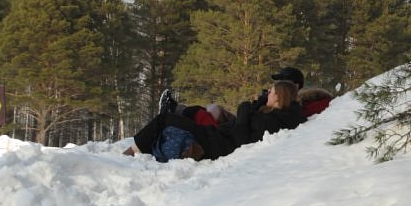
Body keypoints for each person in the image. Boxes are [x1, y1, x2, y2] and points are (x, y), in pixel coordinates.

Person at [123, 80, 305, 163]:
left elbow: (242, 138)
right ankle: (139, 149)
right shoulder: (274, 114)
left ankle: (131, 152)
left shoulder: (271, 121)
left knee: (165, 119)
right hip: (217, 139)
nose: (268, 94)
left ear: (279, 98)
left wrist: (244, 109)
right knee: (175, 119)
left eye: (271, 92)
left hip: (215, 145)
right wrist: (256, 104)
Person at [160, 66, 333, 122]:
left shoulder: (293, 106)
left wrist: (261, 103)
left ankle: (177, 114)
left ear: (293, 85)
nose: (275, 86)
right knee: (214, 108)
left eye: (280, 82)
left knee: (212, 112)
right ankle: (177, 110)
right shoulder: (280, 100)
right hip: (247, 123)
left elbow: (254, 116)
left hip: (246, 128)